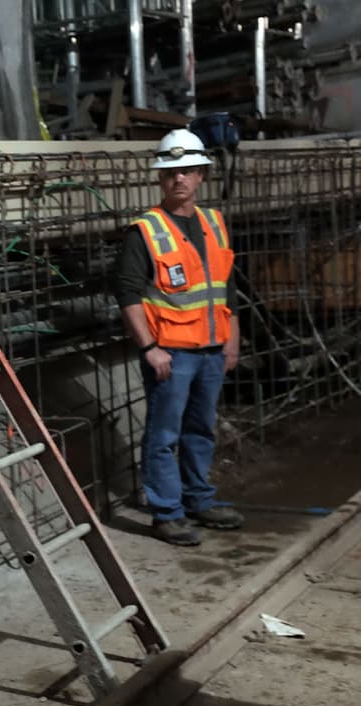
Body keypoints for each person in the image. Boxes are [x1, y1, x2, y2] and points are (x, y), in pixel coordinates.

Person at [115, 128, 244, 546]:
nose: (179, 180)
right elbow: (129, 295)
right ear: (160, 179)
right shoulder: (145, 231)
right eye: (171, 173)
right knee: (163, 436)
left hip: (210, 351)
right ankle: (167, 513)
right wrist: (149, 348)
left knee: (201, 430)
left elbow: (226, 287)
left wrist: (232, 338)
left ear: (202, 174)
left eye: (187, 171)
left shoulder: (214, 223)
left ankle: (198, 500)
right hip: (170, 354)